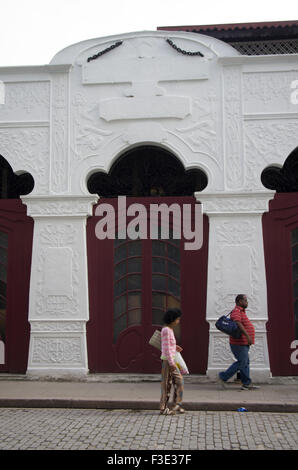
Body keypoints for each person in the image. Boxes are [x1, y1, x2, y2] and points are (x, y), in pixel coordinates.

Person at [218, 294, 259, 390]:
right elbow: (238, 323)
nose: (247, 302)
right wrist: (248, 336)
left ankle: (246, 384)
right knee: (242, 362)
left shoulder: (241, 311)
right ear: (240, 301)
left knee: (245, 362)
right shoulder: (236, 311)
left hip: (243, 342)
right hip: (238, 343)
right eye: (245, 300)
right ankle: (223, 377)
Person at [159, 308, 185, 415]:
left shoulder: (169, 330)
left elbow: (169, 346)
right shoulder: (166, 330)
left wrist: (175, 347)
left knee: (179, 381)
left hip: (171, 360)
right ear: (172, 319)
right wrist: (171, 363)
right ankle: (163, 408)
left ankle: (176, 405)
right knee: (166, 384)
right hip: (168, 361)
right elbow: (165, 348)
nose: (178, 321)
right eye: (177, 319)